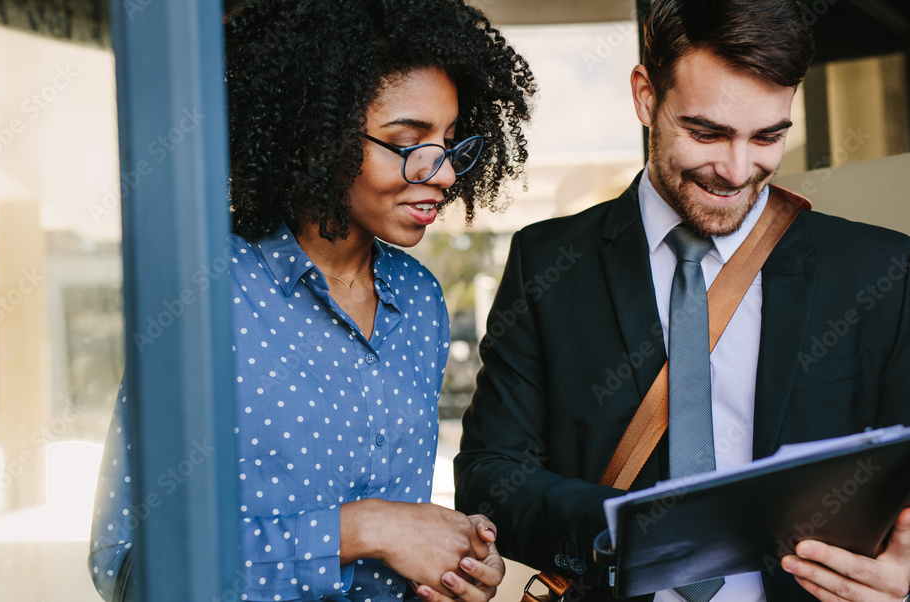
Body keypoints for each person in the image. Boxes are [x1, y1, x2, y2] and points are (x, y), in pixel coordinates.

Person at [454, 0, 910, 601]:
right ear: (646, 96)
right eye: (707, 132)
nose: (738, 169)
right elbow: (489, 477)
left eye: (768, 136)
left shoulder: (881, 270)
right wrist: (635, 531)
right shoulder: (548, 263)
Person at [88, 1, 536, 601]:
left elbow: (400, 549)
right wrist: (363, 528)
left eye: (451, 143)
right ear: (315, 136)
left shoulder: (420, 301)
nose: (446, 174)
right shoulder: (204, 292)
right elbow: (132, 572)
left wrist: (453, 565)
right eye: (408, 142)